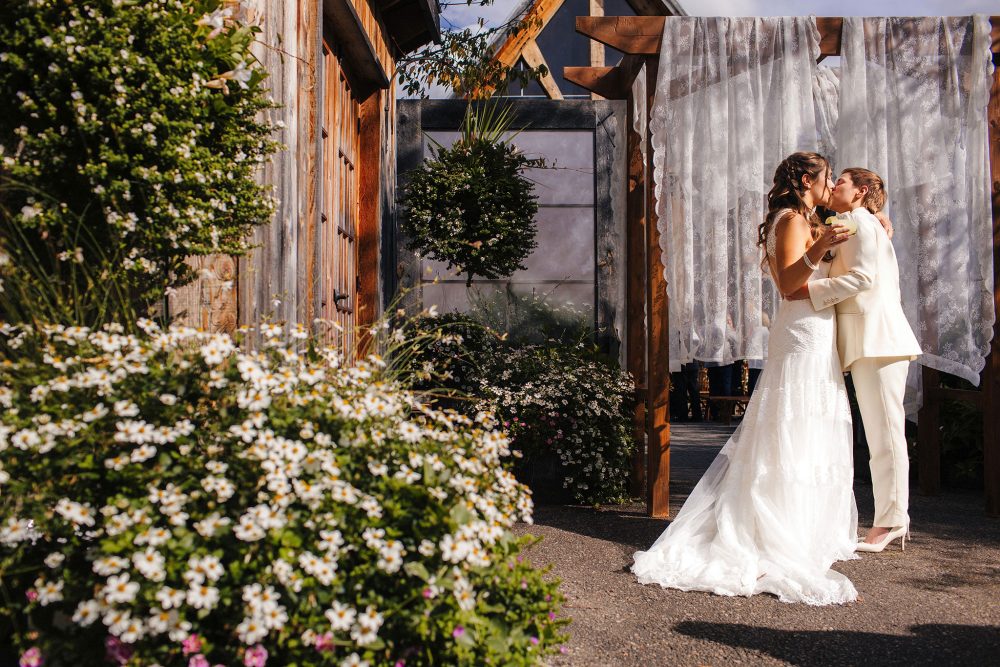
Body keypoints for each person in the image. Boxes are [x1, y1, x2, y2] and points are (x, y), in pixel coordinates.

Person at [632, 152, 859, 605]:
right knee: (793, 423)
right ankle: (776, 525)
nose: (831, 184)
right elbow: (791, 285)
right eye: (827, 177)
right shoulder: (792, 219)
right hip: (801, 327)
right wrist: (820, 246)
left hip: (814, 328)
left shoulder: (807, 218)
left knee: (808, 423)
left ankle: (800, 521)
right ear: (805, 180)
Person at [791, 168, 921, 552]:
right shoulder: (852, 221)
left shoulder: (859, 223)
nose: (834, 187)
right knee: (880, 432)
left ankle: (893, 521)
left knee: (885, 433)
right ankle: (890, 517)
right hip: (867, 341)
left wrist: (810, 291)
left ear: (861, 191)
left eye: (842, 182)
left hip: (879, 339)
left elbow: (863, 277)